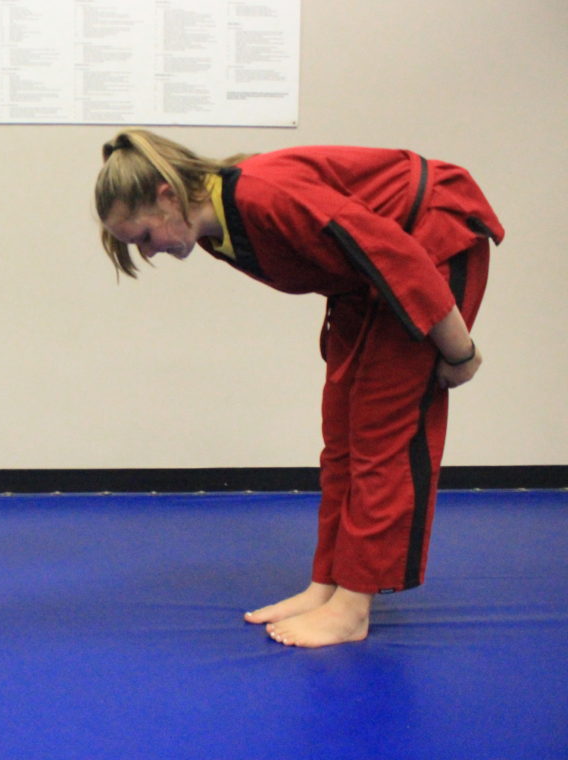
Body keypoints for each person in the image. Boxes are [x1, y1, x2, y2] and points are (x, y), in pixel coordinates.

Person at [94, 130, 503, 648]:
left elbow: (397, 255)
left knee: (383, 436)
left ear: (166, 195)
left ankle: (353, 607)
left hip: (432, 241)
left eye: (143, 238)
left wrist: (460, 353)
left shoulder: (264, 195)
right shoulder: (217, 229)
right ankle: (328, 584)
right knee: (341, 434)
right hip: (367, 282)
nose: (148, 253)